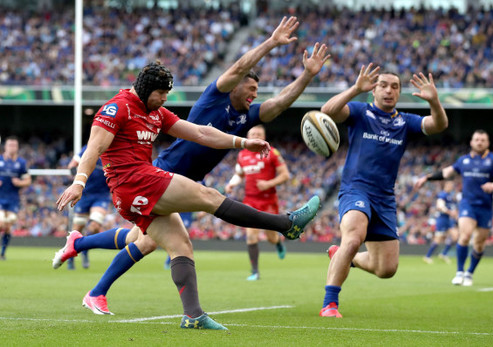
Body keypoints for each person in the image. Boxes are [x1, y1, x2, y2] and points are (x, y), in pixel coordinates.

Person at [54, 16, 328, 317]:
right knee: (190, 211)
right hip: (157, 174)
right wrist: (79, 182)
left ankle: (91, 266)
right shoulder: (213, 98)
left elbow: (206, 131)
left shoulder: (234, 116)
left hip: (167, 180)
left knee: (156, 242)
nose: (253, 95)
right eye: (249, 88)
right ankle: (287, 224)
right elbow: (96, 146)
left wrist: (306, 78)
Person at [319, 64, 449, 318]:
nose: (389, 91)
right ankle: (330, 303)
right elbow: (328, 111)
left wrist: (435, 101)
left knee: (386, 269)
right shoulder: (360, 112)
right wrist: (355, 89)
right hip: (356, 189)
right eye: (383, 85)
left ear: (399, 92)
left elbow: (438, 125)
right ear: (374, 90)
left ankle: (344, 257)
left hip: (385, 198)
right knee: (354, 237)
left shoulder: (405, 121)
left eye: (395, 86)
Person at [415, 130, 493, 286]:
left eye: (483, 140)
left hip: (485, 207)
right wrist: (427, 177)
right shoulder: (463, 161)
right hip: (468, 204)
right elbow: (446, 172)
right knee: (464, 236)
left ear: (487, 143)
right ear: (471, 142)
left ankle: (469, 273)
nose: (479, 142)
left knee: (479, 244)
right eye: (477, 139)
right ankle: (459, 272)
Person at [225, 125, 290, 281]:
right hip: (250, 200)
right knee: (251, 236)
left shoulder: (272, 153)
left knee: (270, 238)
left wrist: (268, 184)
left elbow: (285, 175)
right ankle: (255, 272)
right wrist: (232, 183)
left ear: (264, 137)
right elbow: (239, 174)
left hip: (268, 200)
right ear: (248, 137)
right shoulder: (242, 155)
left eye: (259, 134)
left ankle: (278, 242)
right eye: (253, 134)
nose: (256, 136)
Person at [65, 145, 111, 270]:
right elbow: (71, 166)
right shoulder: (89, 148)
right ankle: (70, 257)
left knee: (95, 225)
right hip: (84, 194)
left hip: (102, 195)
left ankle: (84, 249)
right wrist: (76, 173)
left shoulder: (115, 151)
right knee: (78, 227)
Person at [0, 136, 31, 260]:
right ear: (5, 147)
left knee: (7, 227)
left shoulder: (21, 163)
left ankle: (2, 253)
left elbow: (28, 180)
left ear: (17, 147)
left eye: (14, 145)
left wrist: (20, 183)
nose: (12, 147)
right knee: (1, 223)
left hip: (13, 199)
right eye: (10, 145)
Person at [423, 180, 458, 264]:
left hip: (449, 220)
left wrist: (454, 213)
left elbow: (451, 208)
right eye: (450, 185)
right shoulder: (442, 195)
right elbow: (440, 207)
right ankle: (427, 256)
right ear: (446, 185)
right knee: (438, 239)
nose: (452, 187)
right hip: (442, 219)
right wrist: (450, 212)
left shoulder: (450, 196)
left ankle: (443, 254)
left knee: (455, 237)